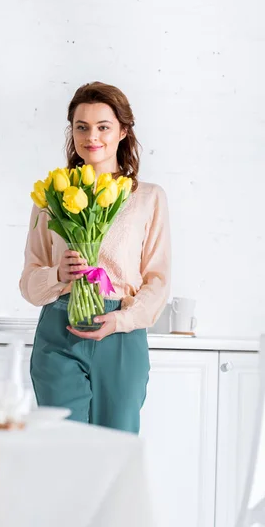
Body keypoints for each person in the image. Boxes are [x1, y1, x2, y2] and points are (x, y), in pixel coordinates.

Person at [19, 81, 171, 433]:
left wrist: (120, 321)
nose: (92, 137)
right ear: (72, 132)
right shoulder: (50, 197)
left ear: (123, 131)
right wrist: (58, 274)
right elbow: (29, 284)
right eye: (81, 127)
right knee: (63, 454)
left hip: (120, 333)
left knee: (116, 453)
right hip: (60, 331)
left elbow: (157, 281)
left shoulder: (148, 198)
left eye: (103, 127)